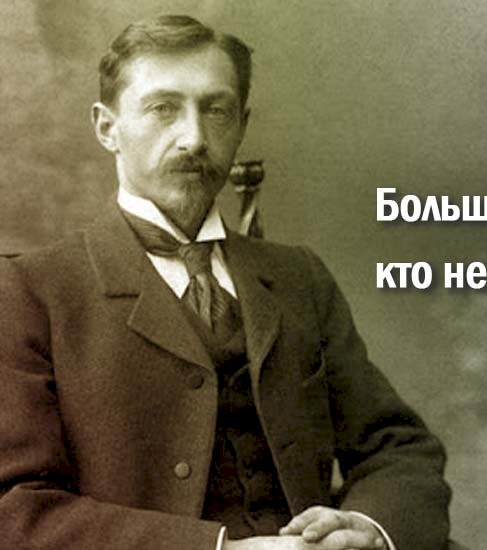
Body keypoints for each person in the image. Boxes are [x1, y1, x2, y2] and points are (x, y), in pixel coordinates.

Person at [0, 14, 451, 550]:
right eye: (163, 108)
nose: (194, 138)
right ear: (107, 128)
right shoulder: (32, 292)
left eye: (216, 110)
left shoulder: (298, 278)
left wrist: (368, 526)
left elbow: (397, 445)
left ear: (241, 125)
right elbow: (16, 508)